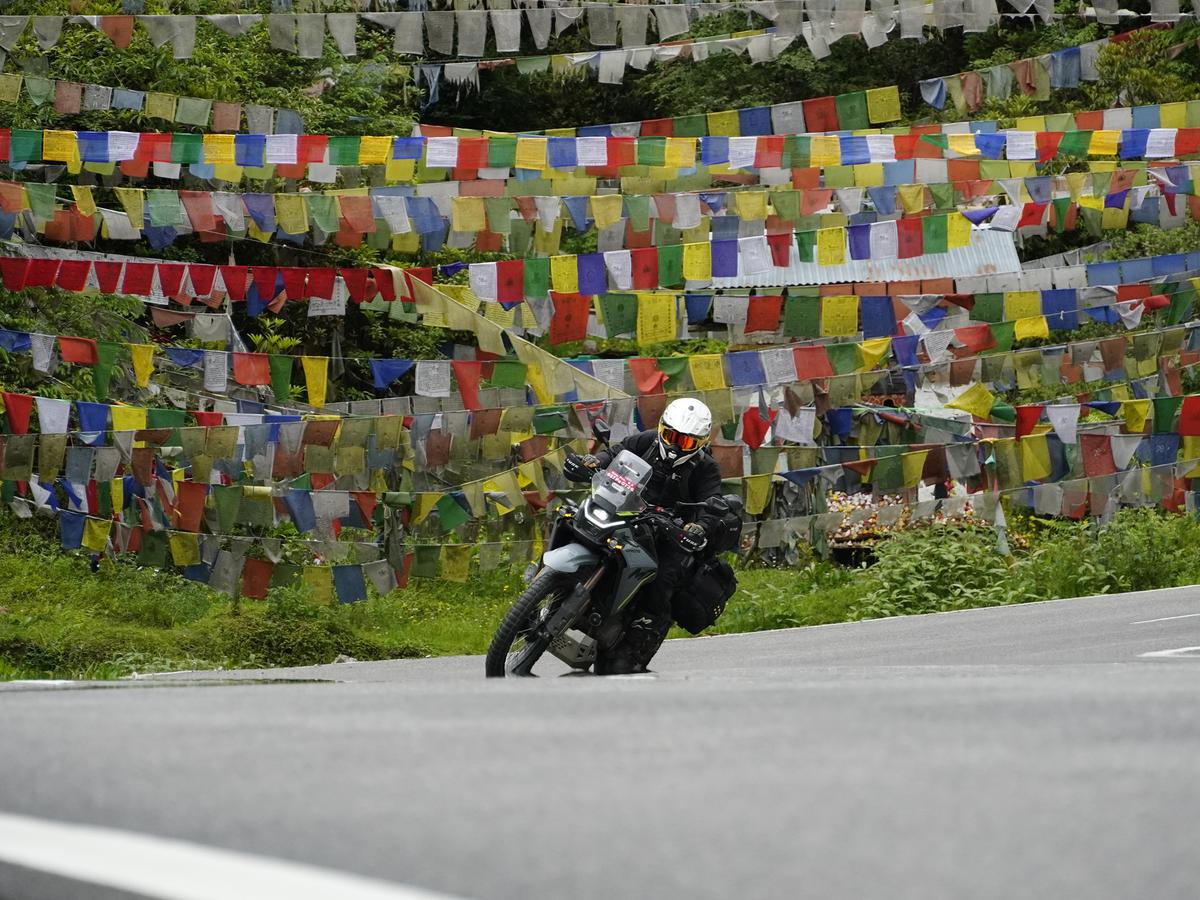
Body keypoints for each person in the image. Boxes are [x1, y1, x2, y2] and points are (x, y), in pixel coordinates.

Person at [568, 398, 723, 674]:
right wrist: (593, 461)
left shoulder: (705, 467)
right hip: (628, 512)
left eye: (685, 442)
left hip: (671, 534)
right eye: (671, 436)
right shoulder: (648, 441)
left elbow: (712, 503)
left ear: (699, 443)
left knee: (662, 578)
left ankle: (640, 638)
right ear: (662, 428)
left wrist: (699, 527)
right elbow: (617, 453)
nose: (675, 446)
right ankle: (555, 585)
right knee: (578, 524)